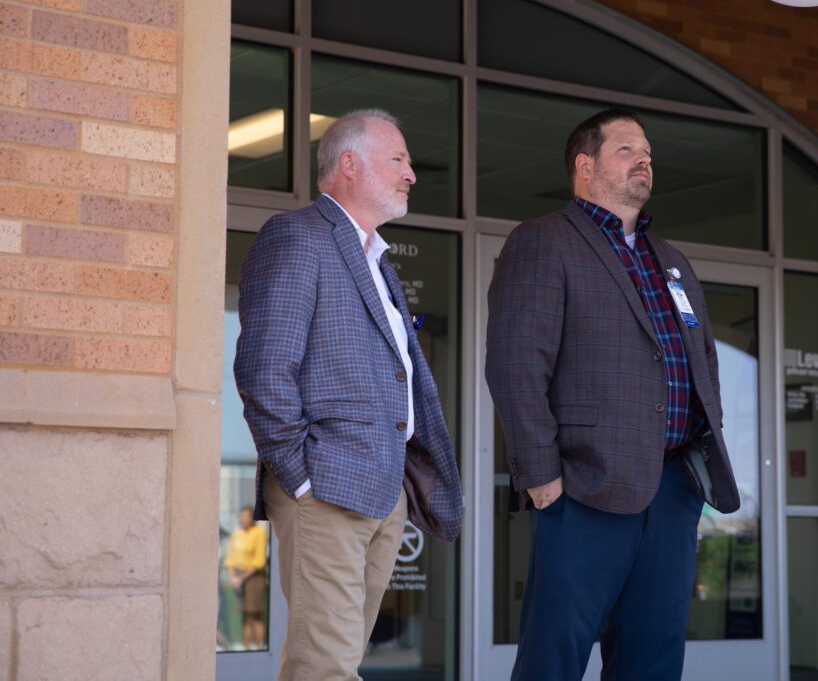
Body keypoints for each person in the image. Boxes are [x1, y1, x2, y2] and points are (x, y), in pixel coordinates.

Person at [485, 108, 741, 680]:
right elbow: (515, 364)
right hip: (583, 488)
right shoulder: (543, 241)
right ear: (585, 165)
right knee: (554, 659)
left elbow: (704, 365)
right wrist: (541, 476)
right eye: (626, 150)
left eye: (647, 152)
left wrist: (701, 456)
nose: (644, 160)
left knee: (654, 658)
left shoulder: (671, 261)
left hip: (672, 489)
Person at [234, 108, 463, 681]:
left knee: (324, 663)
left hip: (382, 492)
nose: (411, 174)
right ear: (350, 164)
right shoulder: (298, 236)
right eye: (399, 159)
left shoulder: (376, 258)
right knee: (328, 667)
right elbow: (264, 368)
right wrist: (301, 478)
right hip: (326, 490)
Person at [224, 505, 268, 650]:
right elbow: (230, 558)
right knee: (244, 616)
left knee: (254, 615)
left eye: (245, 516)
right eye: (241, 516)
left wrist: (242, 578)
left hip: (253, 577)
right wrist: (233, 576)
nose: (243, 519)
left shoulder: (258, 533)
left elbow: (259, 561)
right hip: (238, 578)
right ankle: (246, 648)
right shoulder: (237, 533)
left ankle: (259, 648)